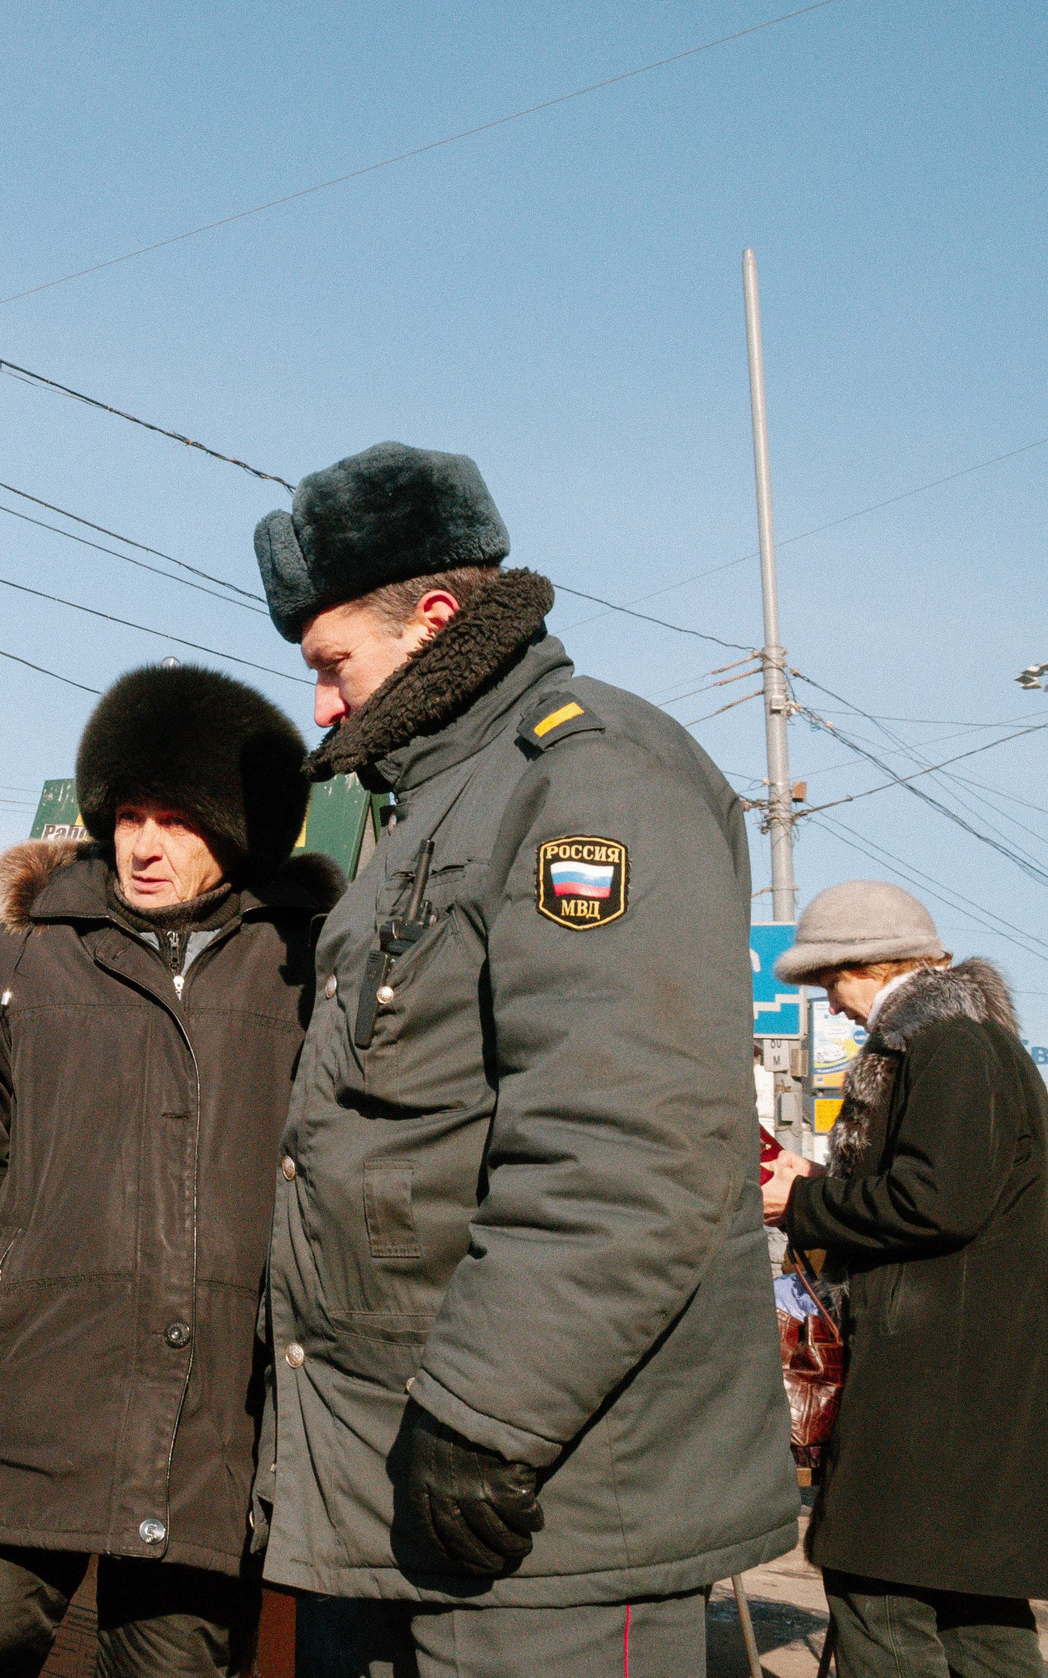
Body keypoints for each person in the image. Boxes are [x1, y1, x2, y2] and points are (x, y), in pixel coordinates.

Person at [248, 442, 796, 1677]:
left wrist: (487, 1412)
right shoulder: (433, 806)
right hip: (402, 1491)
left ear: (434, 618)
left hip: (544, 1512)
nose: (321, 706)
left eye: (332, 664)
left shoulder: (590, 775)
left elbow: (626, 1139)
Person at [0, 664, 335, 1678]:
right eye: (129, 816)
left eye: (176, 820)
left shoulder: (304, 968)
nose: (143, 845)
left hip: (211, 1418)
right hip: (25, 1392)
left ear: (235, 831)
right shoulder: (20, 952)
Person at [761, 882, 1048, 1678]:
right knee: (976, 1616)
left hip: (930, 1385)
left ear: (867, 964)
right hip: (970, 1381)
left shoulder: (946, 1046)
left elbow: (937, 1201)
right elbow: (948, 1188)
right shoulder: (974, 1041)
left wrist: (802, 1202)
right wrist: (821, 1182)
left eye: (828, 980)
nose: (831, 1003)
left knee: (879, 1598)